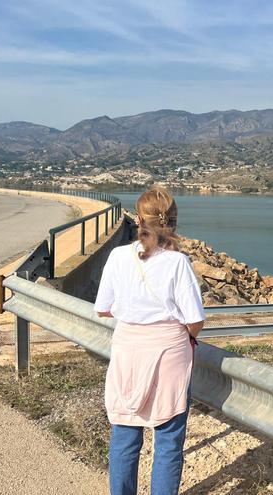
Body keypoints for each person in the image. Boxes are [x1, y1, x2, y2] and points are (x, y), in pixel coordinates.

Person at [94, 186, 205, 495]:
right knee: (168, 440)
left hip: (128, 350)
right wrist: (187, 338)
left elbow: (102, 308)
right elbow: (195, 319)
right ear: (173, 221)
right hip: (169, 353)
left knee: (125, 434)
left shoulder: (118, 257)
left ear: (139, 219)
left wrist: (133, 312)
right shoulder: (178, 262)